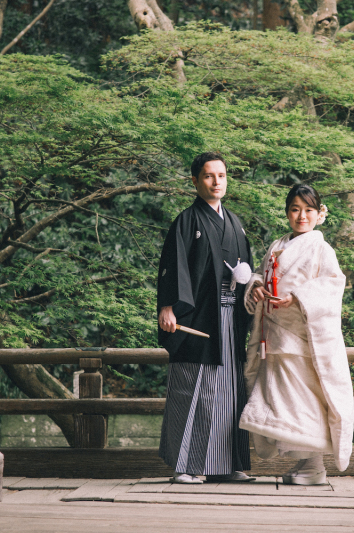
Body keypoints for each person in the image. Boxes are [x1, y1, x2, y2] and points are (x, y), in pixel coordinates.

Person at [240, 183, 354, 485]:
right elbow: (259, 274)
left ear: (319, 214)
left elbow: (332, 284)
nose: (301, 216)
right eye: (295, 209)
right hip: (273, 337)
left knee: (303, 402)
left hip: (301, 338)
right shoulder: (278, 244)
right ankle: (307, 464)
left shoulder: (320, 248)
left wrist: (298, 297)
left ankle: (314, 465)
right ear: (288, 212)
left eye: (308, 210)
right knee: (284, 403)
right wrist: (257, 287)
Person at [156, 152, 255, 484]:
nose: (217, 182)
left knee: (229, 390)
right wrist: (168, 306)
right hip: (198, 318)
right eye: (209, 176)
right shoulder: (187, 220)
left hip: (230, 317)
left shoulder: (235, 222)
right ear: (195, 180)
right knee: (193, 388)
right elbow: (173, 266)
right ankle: (186, 464)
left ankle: (227, 464)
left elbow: (247, 272)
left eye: (222, 175)